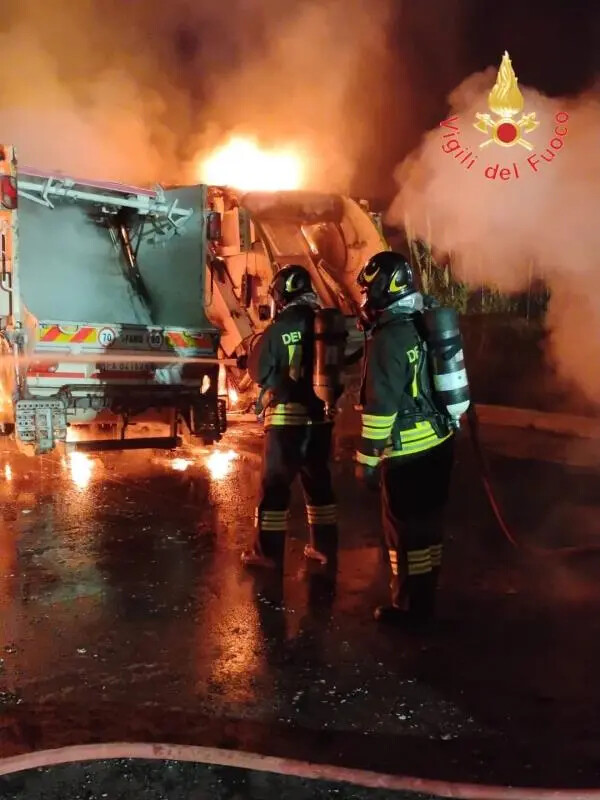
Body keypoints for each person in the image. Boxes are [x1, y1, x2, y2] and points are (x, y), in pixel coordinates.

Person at [354, 250, 457, 627]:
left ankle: (410, 610)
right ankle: (425, 598)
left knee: (406, 532)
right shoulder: (423, 322)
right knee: (428, 527)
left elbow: (381, 410)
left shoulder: (389, 339)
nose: (366, 299)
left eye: (369, 290)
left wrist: (365, 461)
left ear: (386, 287)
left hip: (409, 453)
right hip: (440, 443)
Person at [241, 264, 338, 576]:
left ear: (281, 294)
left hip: (286, 420)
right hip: (321, 419)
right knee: (318, 483)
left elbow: (257, 371)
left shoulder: (281, 326)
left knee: (275, 487)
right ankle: (323, 548)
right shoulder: (324, 321)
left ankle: (266, 552)